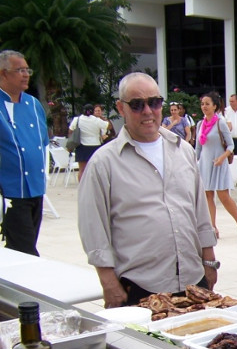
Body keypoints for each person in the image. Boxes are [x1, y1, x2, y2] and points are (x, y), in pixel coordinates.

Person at [78, 72, 218, 307]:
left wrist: (209, 262)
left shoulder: (182, 150)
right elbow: (93, 227)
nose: (147, 111)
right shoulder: (104, 162)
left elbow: (200, 212)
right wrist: (108, 281)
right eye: (136, 105)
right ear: (120, 108)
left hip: (193, 282)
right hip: (140, 288)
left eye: (154, 102)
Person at [0, 50, 48, 256]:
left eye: (27, 69)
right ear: (3, 74)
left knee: (18, 250)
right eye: (19, 70)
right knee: (26, 251)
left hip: (36, 189)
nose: (26, 74)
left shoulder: (33, 104)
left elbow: (42, 140)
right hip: (9, 192)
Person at [195, 91, 237, 239]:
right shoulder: (200, 125)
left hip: (219, 164)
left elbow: (230, 145)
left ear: (215, 106)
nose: (204, 106)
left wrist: (222, 158)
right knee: (208, 195)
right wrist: (194, 164)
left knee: (224, 196)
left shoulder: (220, 122)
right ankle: (212, 228)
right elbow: (198, 148)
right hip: (205, 164)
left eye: (207, 104)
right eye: (202, 104)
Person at [69, 103, 109, 181]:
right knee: (96, 169)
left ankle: (82, 188)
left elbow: (70, 130)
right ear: (92, 111)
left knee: (82, 170)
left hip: (82, 146)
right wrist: (101, 117)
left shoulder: (77, 119)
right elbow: (108, 126)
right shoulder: (97, 120)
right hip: (95, 146)